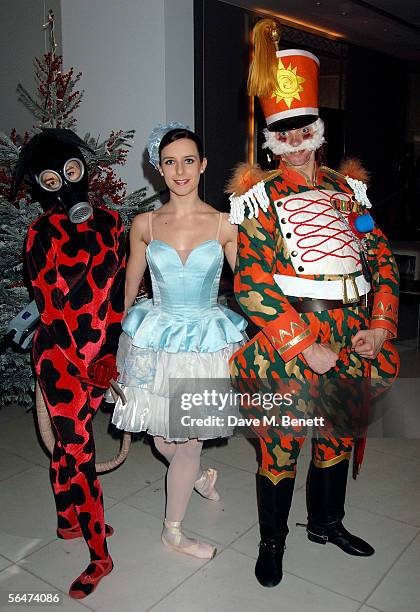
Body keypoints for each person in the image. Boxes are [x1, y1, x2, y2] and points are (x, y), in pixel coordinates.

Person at [228, 19, 399, 588]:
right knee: (281, 446)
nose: (299, 141)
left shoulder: (353, 194)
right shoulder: (258, 198)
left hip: (353, 338)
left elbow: (380, 257)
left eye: (307, 129)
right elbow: (250, 282)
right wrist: (304, 345)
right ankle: (272, 543)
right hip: (291, 344)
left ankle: (327, 522)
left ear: (319, 131)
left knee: (335, 438)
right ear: (275, 135)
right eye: (288, 130)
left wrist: (380, 324)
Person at [112, 124, 247, 559]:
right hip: (157, 337)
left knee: (186, 440)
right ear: (159, 168)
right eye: (170, 162)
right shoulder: (145, 224)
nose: (180, 170)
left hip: (205, 341)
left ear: (203, 165)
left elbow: (248, 286)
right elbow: (132, 281)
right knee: (164, 438)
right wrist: (111, 335)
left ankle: (173, 530)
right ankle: (201, 478)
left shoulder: (225, 224)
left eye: (189, 160)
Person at [10, 129, 125, 599]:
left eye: (72, 172)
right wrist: (81, 364)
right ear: (42, 185)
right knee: (79, 451)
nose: (66, 184)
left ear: (83, 168)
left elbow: (118, 293)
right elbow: (50, 305)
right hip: (61, 360)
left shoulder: (114, 222)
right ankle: (100, 556)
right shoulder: (41, 232)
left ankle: (67, 523)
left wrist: (110, 352)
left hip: (100, 357)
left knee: (68, 442)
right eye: (54, 178)